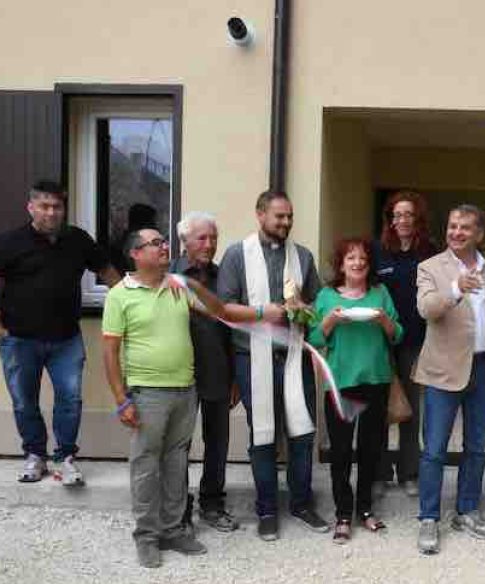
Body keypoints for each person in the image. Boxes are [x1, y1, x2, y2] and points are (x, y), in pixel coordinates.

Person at [102, 226, 252, 568]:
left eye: (164, 242)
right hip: (146, 394)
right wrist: (121, 399)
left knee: (175, 464)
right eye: (154, 244)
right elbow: (110, 353)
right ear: (135, 254)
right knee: (145, 466)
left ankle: (172, 530)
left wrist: (261, 313)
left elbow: (220, 312)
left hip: (185, 389)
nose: (163, 247)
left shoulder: (178, 287)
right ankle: (146, 536)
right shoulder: (119, 295)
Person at [0, 180, 120, 485]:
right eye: (44, 206)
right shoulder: (8, 242)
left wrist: (130, 309)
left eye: (57, 206)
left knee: (70, 399)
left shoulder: (78, 240)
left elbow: (108, 274)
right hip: (18, 339)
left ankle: (65, 458)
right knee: (24, 401)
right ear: (31, 207)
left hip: (66, 339)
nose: (51, 212)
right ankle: (34, 456)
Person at [217, 190, 327, 542]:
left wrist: (305, 311)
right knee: (263, 433)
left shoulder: (303, 257)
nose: (286, 223)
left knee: (302, 431)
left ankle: (301, 502)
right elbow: (224, 308)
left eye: (290, 216)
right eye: (279, 216)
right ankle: (266, 508)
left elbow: (317, 304)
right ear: (260, 214)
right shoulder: (237, 255)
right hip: (254, 358)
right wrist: (264, 312)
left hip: (294, 355)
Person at [412, 205, 485, 555]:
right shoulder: (430, 267)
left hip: (483, 368)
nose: (457, 232)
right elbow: (427, 309)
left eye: (465, 227)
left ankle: (467, 510)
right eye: (452, 226)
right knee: (434, 449)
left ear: (479, 234)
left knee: (477, 447)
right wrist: (455, 288)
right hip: (443, 370)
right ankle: (428, 517)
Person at [309, 238, 402, 544]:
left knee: (370, 450)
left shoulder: (380, 293)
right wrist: (330, 320)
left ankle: (365, 509)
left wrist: (385, 320)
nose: (358, 263)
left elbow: (397, 335)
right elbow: (314, 338)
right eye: (351, 258)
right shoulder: (325, 296)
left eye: (362, 258)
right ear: (341, 264)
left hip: (376, 380)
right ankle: (343, 514)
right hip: (341, 383)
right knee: (340, 451)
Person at [171, 212, 239, 532]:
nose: (210, 245)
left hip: (217, 371)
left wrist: (236, 376)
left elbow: (234, 328)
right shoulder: (168, 275)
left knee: (217, 441)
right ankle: (179, 510)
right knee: (178, 444)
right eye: (202, 238)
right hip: (177, 375)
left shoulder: (225, 276)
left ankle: (212, 504)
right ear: (184, 242)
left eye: (214, 238)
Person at [373, 190, 436, 498]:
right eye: (396, 215)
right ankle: (380, 472)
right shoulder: (378, 251)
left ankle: (409, 473)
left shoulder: (429, 251)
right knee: (380, 410)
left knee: (409, 410)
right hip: (380, 342)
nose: (401, 220)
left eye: (407, 214)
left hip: (415, 342)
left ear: (417, 219)